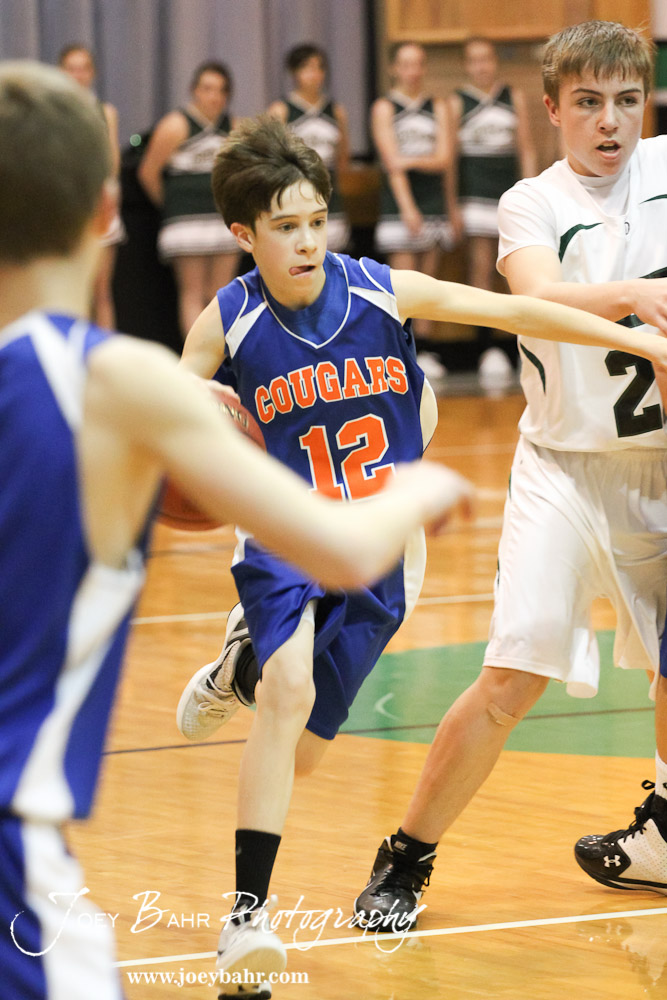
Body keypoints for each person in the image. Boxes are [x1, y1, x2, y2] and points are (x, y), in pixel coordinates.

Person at [0, 60, 482, 1000]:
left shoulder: (136, 384)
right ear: (108, 213)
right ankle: (246, 902)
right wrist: (423, 486)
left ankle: (244, 676)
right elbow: (342, 545)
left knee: (296, 731)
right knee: (288, 695)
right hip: (24, 858)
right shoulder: (122, 385)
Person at [172, 112, 667, 989]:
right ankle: (245, 923)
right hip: (286, 532)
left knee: (305, 751)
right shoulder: (227, 320)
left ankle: (236, 669)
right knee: (289, 695)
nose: (307, 241)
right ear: (244, 234)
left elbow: (512, 308)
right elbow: (171, 410)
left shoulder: (378, 289)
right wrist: (192, 412)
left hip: (379, 543)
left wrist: (631, 334)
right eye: (285, 227)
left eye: (316, 220)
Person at [353, 19, 667, 934]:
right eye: (587, 103)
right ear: (551, 109)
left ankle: (663, 832)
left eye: (626, 101)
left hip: (658, 466)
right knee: (510, 679)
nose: (608, 121)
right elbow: (530, 298)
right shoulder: (531, 201)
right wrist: (631, 296)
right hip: (562, 471)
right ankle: (405, 856)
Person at [447, 36, 537, 386]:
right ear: (466, 65)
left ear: (495, 61)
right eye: (474, 60)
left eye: (486, 59)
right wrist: (452, 205)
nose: (481, 66)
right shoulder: (457, 102)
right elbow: (451, 159)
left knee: (516, 273)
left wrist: (531, 193)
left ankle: (520, 347)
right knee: (481, 270)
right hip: (474, 197)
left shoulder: (513, 96)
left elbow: (526, 148)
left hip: (508, 196)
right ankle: (486, 348)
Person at [138, 61, 240, 338]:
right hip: (186, 223)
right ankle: (197, 361)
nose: (214, 96)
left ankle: (223, 356)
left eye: (221, 90)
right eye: (207, 88)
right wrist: (172, 206)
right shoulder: (175, 124)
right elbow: (148, 172)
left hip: (222, 220)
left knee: (222, 294)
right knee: (192, 293)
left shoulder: (234, 127)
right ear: (194, 90)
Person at [371, 41, 453, 380]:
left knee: (428, 286)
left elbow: (444, 159)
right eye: (405, 64)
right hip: (399, 206)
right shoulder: (384, 107)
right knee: (403, 287)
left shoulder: (438, 106)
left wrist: (409, 159)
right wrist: (408, 208)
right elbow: (392, 163)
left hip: (434, 203)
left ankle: (426, 352)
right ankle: (400, 356)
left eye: (418, 64)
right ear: (394, 68)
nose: (413, 71)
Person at [58, 43, 123, 329]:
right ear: (61, 72)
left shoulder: (105, 112)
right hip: (66, 204)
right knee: (71, 287)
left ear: (92, 73)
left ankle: (104, 349)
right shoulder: (53, 112)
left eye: (83, 68)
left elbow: (112, 162)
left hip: (97, 201)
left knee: (101, 290)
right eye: (71, 68)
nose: (77, 75)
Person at [268, 43, 350, 253]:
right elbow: (271, 163)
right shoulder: (281, 110)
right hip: (292, 196)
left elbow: (342, 159)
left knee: (332, 261)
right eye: (307, 68)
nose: (314, 74)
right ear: (294, 72)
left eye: (319, 68)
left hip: (328, 196)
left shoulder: (336, 111)